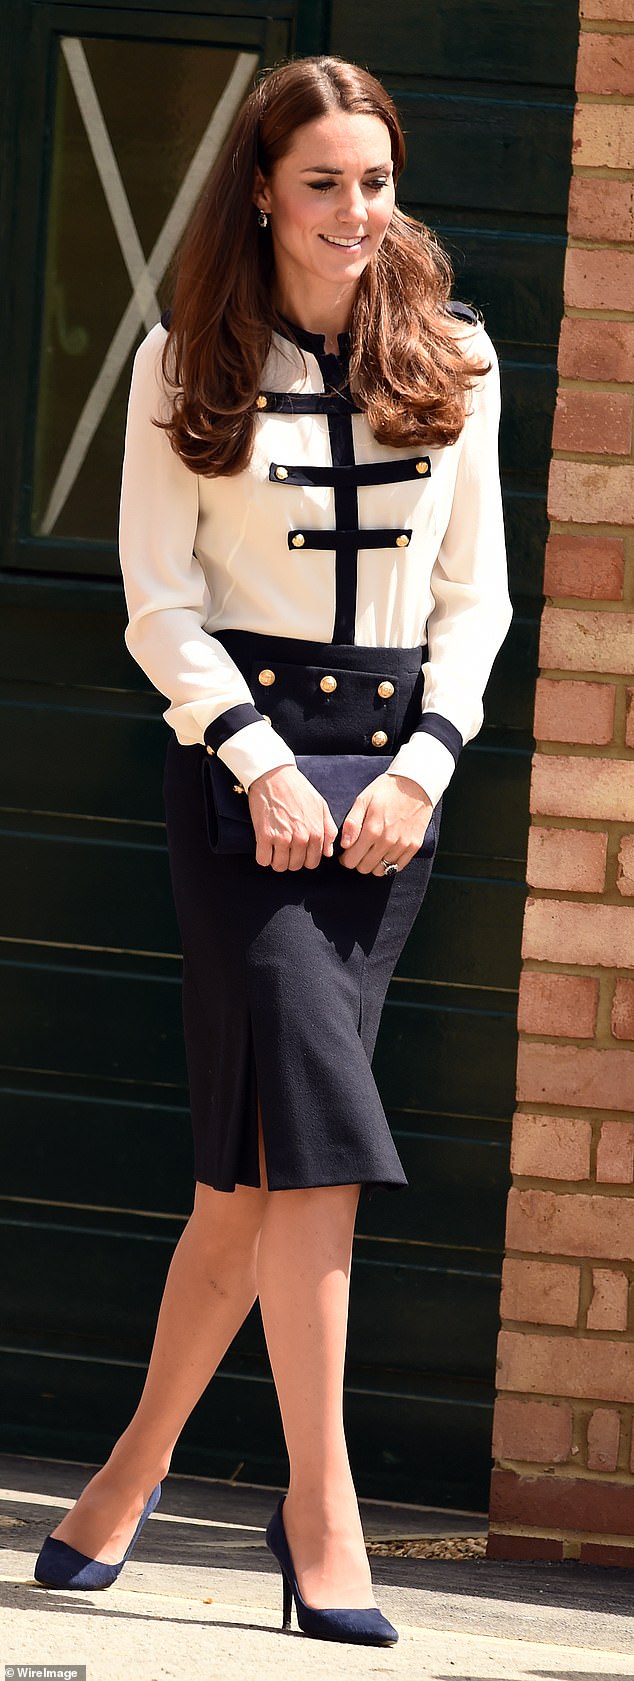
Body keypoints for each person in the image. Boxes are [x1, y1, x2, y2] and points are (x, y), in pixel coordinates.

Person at [33, 55, 512, 1645]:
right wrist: (256, 764)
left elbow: (475, 599)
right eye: (322, 182)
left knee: (245, 1182)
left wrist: (424, 770)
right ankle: (323, 1517)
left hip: (391, 799)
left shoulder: (456, 353)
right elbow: (156, 598)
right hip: (240, 785)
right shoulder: (186, 359)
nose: (355, 211)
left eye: (374, 180)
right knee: (314, 1149)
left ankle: (130, 1468)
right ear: (259, 188)